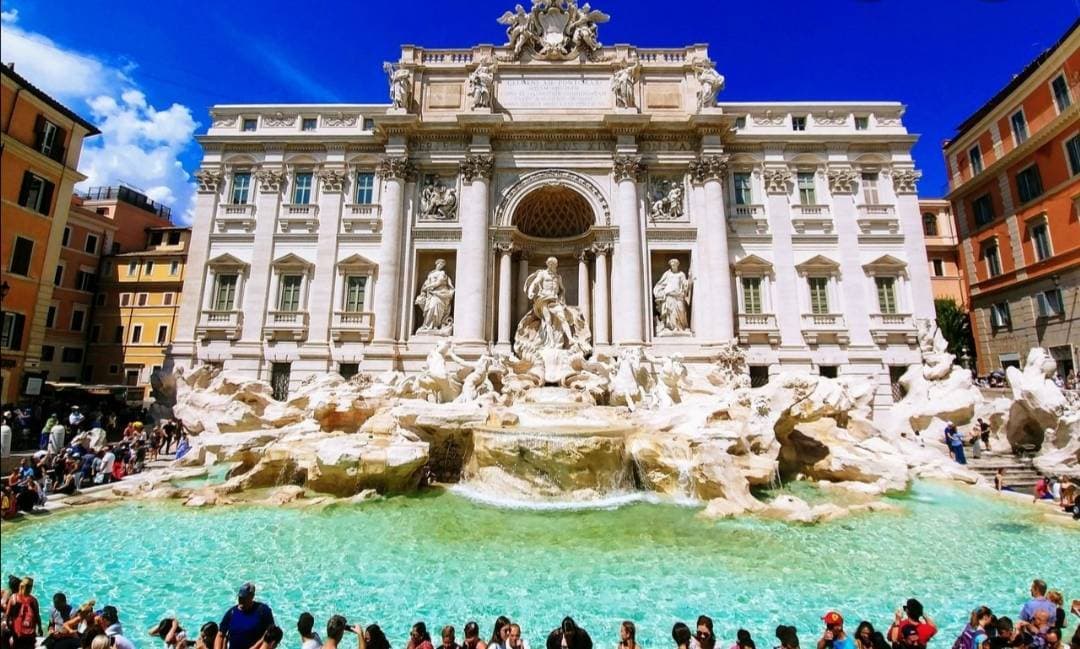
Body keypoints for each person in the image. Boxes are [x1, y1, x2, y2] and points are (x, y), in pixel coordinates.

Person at [216, 583, 275, 649]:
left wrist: (256, 646)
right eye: (240, 597)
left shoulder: (263, 610)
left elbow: (272, 633)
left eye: (244, 598)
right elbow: (220, 635)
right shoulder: (231, 612)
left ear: (252, 596)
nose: (241, 600)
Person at [3, 577, 42, 649]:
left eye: (30, 586)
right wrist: (10, 627)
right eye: (29, 586)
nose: (30, 588)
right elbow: (7, 615)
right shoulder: (15, 598)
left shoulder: (32, 600)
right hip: (20, 633)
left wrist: (40, 627)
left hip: (26, 633)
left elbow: (37, 615)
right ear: (22, 586)